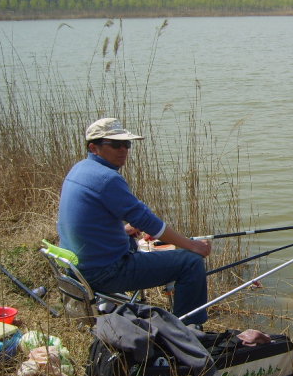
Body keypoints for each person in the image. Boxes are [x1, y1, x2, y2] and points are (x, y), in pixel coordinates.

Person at [57, 117, 211, 327]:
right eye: (115, 144)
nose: (123, 150)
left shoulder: (79, 169)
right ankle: (189, 330)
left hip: (79, 268)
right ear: (94, 148)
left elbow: (90, 221)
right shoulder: (107, 178)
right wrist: (192, 245)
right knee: (190, 263)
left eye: (126, 144)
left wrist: (122, 230)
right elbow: (149, 222)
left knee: (163, 252)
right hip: (104, 272)